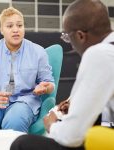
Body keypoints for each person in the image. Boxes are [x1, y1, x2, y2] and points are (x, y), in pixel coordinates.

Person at [10, 0, 114, 149]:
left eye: (67, 37)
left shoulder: (98, 54)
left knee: (22, 143)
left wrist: (51, 125)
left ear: (80, 36)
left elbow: (72, 137)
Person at [0, 7, 54, 132]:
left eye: (20, 25)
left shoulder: (38, 52)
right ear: (1, 30)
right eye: (10, 26)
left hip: (24, 101)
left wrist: (45, 87)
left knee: (15, 120)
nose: (16, 30)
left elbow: (49, 83)